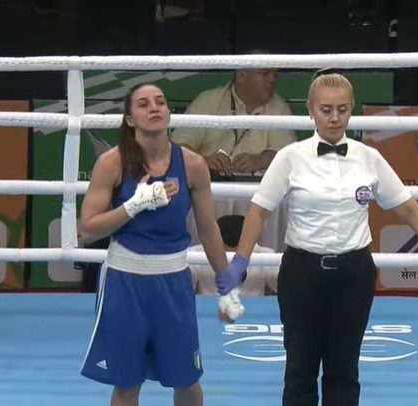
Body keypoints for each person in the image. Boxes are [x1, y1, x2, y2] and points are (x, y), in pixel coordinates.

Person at [214, 68, 418, 406]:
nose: (334, 118)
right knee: (299, 371)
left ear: (351, 109)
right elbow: (259, 211)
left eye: (342, 109)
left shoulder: (369, 157)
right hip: (302, 272)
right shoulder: (290, 157)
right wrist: (240, 262)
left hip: (354, 272)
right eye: (326, 109)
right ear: (311, 110)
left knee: (344, 371)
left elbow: (408, 208)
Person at [77, 83, 234, 406]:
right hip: (124, 282)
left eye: (160, 102)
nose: (154, 107)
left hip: (173, 282)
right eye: (144, 104)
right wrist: (134, 205)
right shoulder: (112, 163)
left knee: (187, 380)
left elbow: (208, 231)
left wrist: (227, 286)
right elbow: (88, 230)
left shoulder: (192, 165)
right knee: (126, 385)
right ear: (130, 119)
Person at [170, 53, 297, 174]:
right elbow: (177, 146)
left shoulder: (280, 108)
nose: (272, 80)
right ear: (241, 75)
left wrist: (259, 160)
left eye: (275, 75)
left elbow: (288, 154)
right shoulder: (209, 100)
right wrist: (203, 161)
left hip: (256, 187)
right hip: (208, 185)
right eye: (265, 73)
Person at [190, 214, 279, 296]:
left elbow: (281, 285)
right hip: (208, 306)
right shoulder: (195, 254)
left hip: (255, 307)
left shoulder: (266, 256)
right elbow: (185, 283)